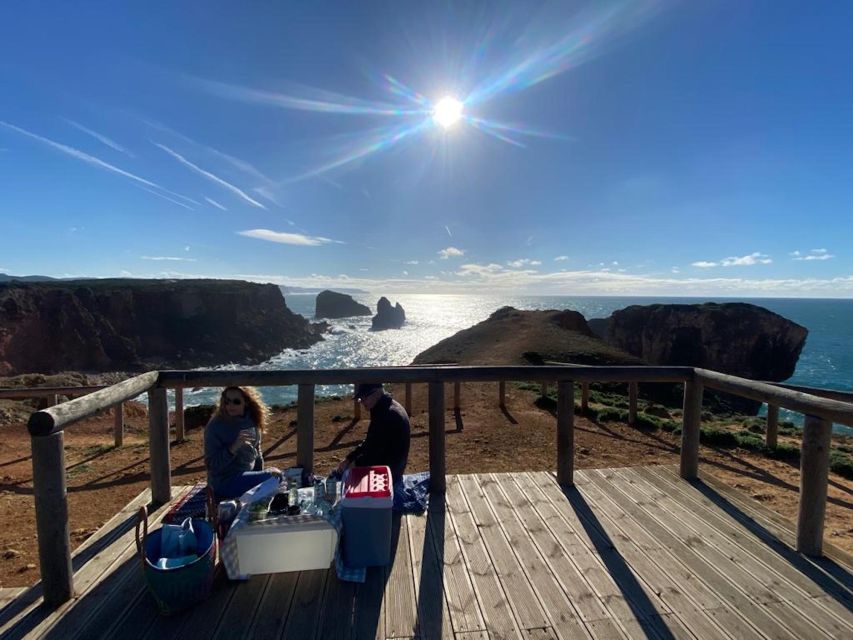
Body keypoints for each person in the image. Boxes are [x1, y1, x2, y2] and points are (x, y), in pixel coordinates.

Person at [204, 386, 281, 499]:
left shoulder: (252, 419)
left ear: (246, 402)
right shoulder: (215, 426)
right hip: (224, 480)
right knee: (274, 477)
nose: (231, 406)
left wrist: (258, 476)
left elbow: (256, 452)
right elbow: (212, 467)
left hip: (245, 475)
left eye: (236, 402)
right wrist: (233, 448)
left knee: (277, 477)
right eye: (227, 401)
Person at [336, 382, 410, 484]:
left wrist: (355, 465)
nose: (362, 401)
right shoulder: (382, 407)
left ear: (378, 393)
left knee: (338, 478)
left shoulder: (387, 415)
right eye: (360, 398)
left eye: (364, 397)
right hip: (390, 467)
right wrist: (350, 458)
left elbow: (373, 454)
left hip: (389, 474)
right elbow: (371, 442)